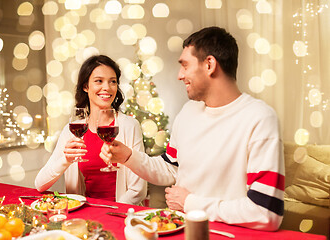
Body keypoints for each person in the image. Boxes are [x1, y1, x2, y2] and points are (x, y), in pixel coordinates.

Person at [100, 27, 285, 230]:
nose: (180, 75)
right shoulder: (188, 112)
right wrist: (128, 157)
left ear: (209, 64)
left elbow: (266, 213)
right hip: (180, 230)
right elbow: (171, 168)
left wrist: (190, 203)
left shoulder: (259, 118)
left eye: (185, 65)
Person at [35, 55, 147, 205]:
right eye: (99, 81)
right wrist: (66, 160)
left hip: (121, 214)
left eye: (112, 81)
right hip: (84, 216)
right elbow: (40, 184)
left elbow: (138, 190)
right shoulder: (72, 130)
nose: (107, 87)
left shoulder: (129, 126)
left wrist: (110, 212)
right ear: (85, 86)